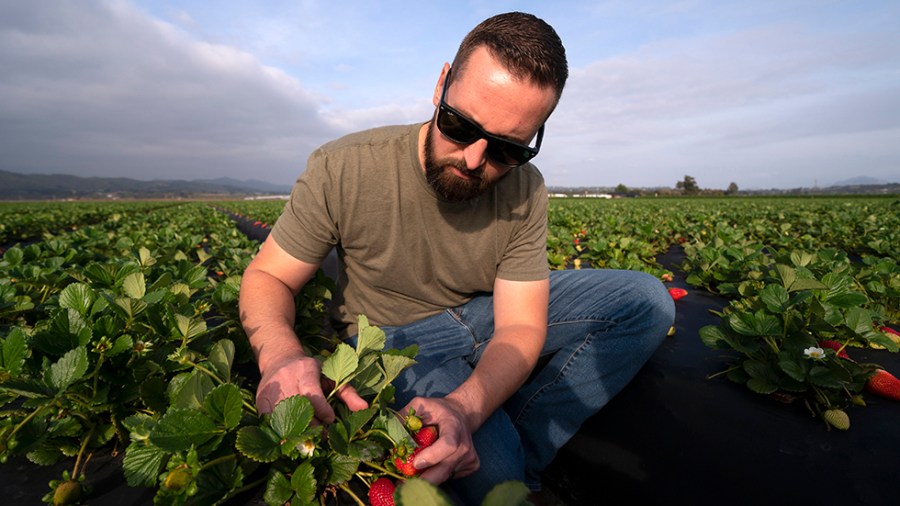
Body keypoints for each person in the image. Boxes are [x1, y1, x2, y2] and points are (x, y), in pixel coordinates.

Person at [239, 11, 675, 504]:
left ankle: (512, 441)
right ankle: (497, 458)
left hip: (483, 316)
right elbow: (270, 275)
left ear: (537, 137)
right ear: (442, 83)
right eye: (459, 125)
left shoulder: (525, 191)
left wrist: (466, 408)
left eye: (508, 150)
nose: (474, 159)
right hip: (390, 341)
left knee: (646, 302)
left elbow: (519, 328)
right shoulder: (345, 166)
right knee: (493, 475)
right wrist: (280, 356)